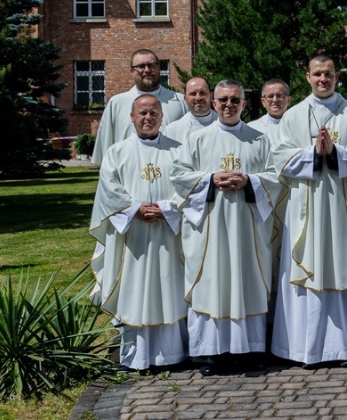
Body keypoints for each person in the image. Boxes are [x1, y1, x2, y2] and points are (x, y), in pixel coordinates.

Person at [271, 56, 347, 368]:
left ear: (336, 77)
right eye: (317, 74)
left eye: (328, 74)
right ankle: (307, 350)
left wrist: (336, 153)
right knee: (311, 268)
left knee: (344, 267)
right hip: (308, 207)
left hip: (345, 208)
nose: (323, 79)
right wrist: (312, 154)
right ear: (307, 77)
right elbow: (280, 159)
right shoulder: (293, 116)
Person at [170, 79, 282, 376]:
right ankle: (209, 353)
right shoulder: (196, 140)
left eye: (235, 100)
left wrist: (250, 181)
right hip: (210, 229)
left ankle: (251, 350)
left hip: (247, 229)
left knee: (247, 282)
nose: (229, 105)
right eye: (223, 100)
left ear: (245, 104)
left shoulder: (258, 140)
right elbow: (178, 177)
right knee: (211, 282)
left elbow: (274, 179)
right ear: (214, 103)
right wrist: (210, 180)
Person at [89, 94, 186, 372]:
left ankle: (173, 354)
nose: (148, 118)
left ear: (162, 116)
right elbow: (109, 192)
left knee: (170, 288)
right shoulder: (117, 152)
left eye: (154, 113)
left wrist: (167, 209)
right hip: (133, 237)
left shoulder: (178, 150)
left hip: (169, 234)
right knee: (134, 290)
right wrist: (135, 209)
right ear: (132, 117)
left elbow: (188, 187)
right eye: (142, 113)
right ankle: (136, 357)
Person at [93, 49, 188, 164]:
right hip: (129, 170)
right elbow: (106, 149)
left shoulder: (179, 101)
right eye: (141, 66)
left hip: (170, 171)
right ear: (132, 71)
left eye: (151, 65)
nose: (147, 70)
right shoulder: (117, 103)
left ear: (159, 68)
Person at [164, 77, 215, 142]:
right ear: (185, 99)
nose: (198, 98)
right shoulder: (172, 131)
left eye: (202, 93)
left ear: (210, 96)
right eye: (193, 94)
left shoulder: (224, 124)